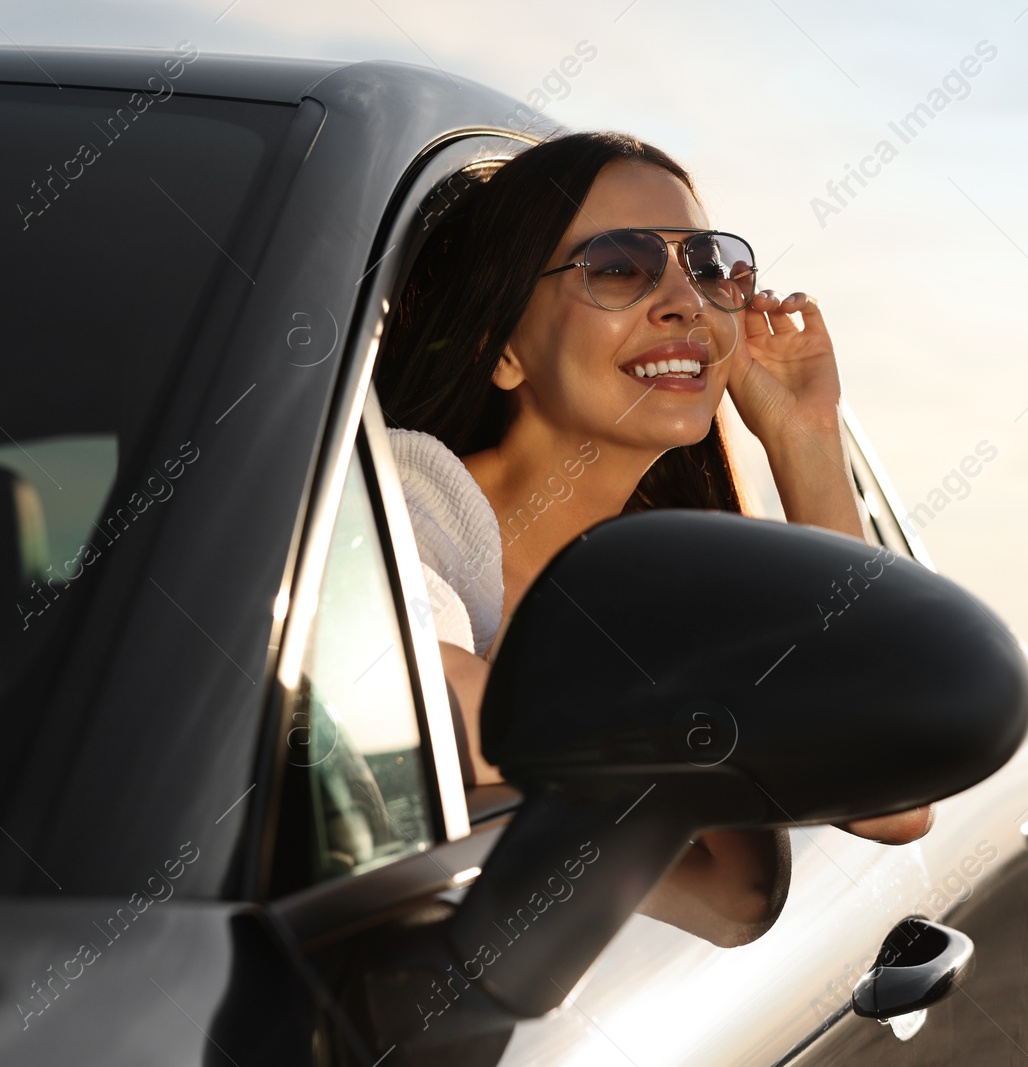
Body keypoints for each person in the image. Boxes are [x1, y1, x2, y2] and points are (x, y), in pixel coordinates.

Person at [374, 131, 932, 949]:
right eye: (618, 265)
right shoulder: (404, 502)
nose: (686, 300)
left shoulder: (678, 580)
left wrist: (805, 439)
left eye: (707, 267)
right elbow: (421, 712)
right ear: (503, 348)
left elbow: (889, 801)